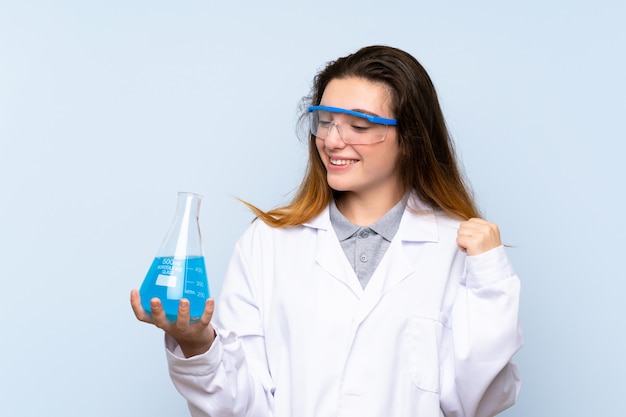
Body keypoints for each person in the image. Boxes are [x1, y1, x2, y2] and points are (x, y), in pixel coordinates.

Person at [131, 45, 522, 417]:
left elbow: (479, 400)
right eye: (326, 120)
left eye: (360, 124)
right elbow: (241, 406)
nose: (332, 140)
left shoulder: (459, 250)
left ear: (410, 139)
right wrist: (198, 344)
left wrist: (491, 281)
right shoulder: (268, 242)